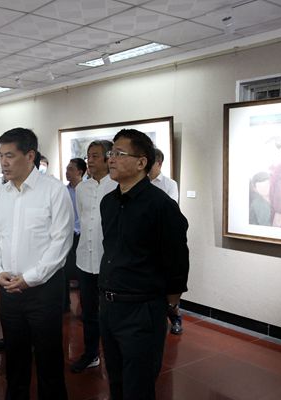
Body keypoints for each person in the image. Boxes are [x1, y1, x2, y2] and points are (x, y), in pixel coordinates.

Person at [99, 129, 189, 400]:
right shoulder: (108, 202)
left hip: (142, 309)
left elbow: (177, 259)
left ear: (141, 162)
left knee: (138, 386)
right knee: (116, 380)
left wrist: (170, 303)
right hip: (109, 306)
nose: (111, 159)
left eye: (119, 153)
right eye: (111, 152)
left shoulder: (161, 205)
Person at [0, 127, 74, 400]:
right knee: (15, 356)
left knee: (48, 358)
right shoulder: (2, 194)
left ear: (30, 155)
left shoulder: (53, 191)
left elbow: (61, 242)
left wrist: (30, 278)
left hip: (43, 290)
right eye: (1, 155)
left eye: (10, 155)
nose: (3, 162)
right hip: (9, 288)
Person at [72, 140, 117, 373]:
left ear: (109, 158)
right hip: (84, 259)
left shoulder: (117, 186)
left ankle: (115, 356)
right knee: (88, 312)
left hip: (108, 261)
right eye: (88, 156)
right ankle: (91, 354)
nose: (90, 160)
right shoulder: (82, 188)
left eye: (95, 156)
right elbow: (83, 219)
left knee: (110, 314)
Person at [148, 147, 183, 334]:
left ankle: (175, 317)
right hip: (146, 241)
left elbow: (170, 209)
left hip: (163, 240)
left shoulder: (169, 184)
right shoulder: (141, 183)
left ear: (159, 163)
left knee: (167, 283)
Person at [63, 158, 86, 311]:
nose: (67, 172)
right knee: (64, 269)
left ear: (80, 172)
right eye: (67, 169)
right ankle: (65, 304)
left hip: (83, 235)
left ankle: (85, 306)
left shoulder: (87, 190)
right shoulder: (63, 191)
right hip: (68, 235)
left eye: (71, 169)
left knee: (83, 272)